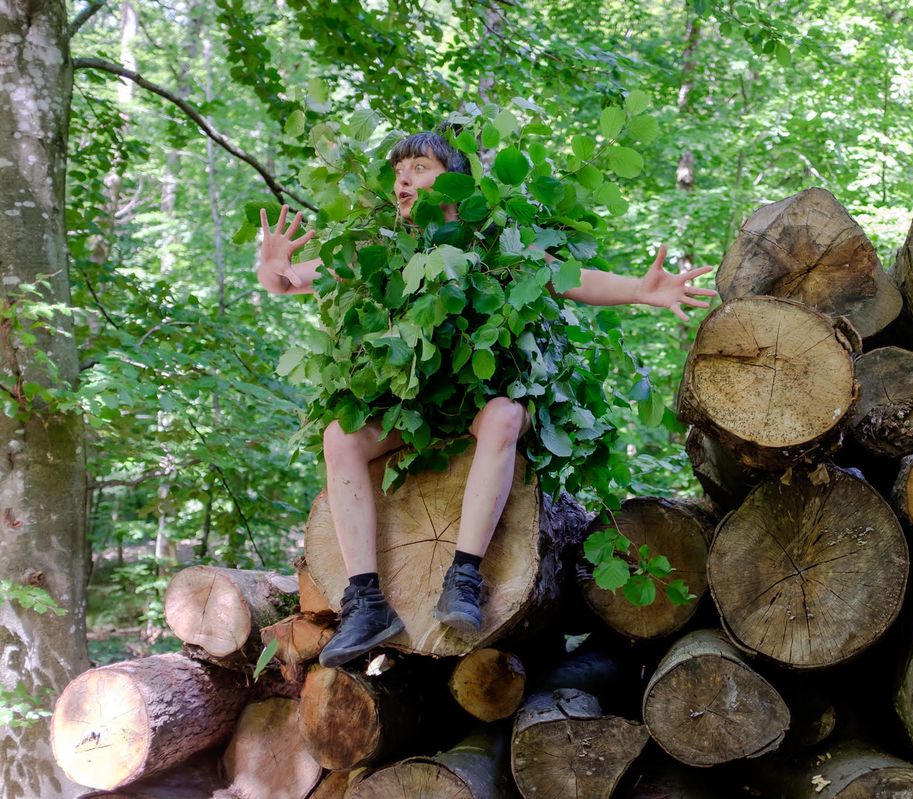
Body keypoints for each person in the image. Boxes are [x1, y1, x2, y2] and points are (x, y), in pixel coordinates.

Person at [257, 129, 716, 667]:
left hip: (479, 410)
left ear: (455, 180)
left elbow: (566, 279)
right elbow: (292, 282)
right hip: (419, 415)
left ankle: (464, 578)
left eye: (420, 167)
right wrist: (272, 271)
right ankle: (365, 599)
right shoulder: (380, 251)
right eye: (398, 170)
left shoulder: (493, 245)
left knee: (504, 414)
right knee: (341, 437)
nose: (403, 178)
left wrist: (640, 289)